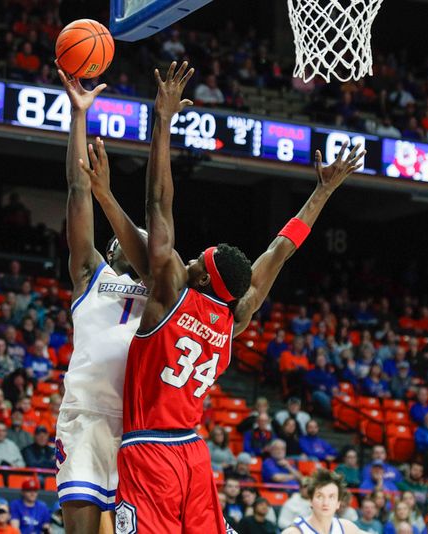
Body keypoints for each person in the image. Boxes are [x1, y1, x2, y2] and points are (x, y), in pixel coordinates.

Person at [115, 61, 364, 533]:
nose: (186, 262)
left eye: (195, 263)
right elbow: (281, 251)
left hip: (150, 450)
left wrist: (163, 121)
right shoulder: (237, 315)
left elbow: (158, 204)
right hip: (193, 450)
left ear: (204, 279)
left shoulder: (170, 295)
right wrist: (321, 192)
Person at [53, 66, 151, 534]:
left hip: (141, 431)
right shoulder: (93, 273)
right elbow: (77, 190)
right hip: (89, 418)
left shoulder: (165, 294)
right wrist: (78, 116)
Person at [281, 470, 367, 534]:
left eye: (331, 497)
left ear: (338, 503)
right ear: (310, 501)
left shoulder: (347, 528)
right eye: (320, 496)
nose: (325, 503)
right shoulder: (295, 532)